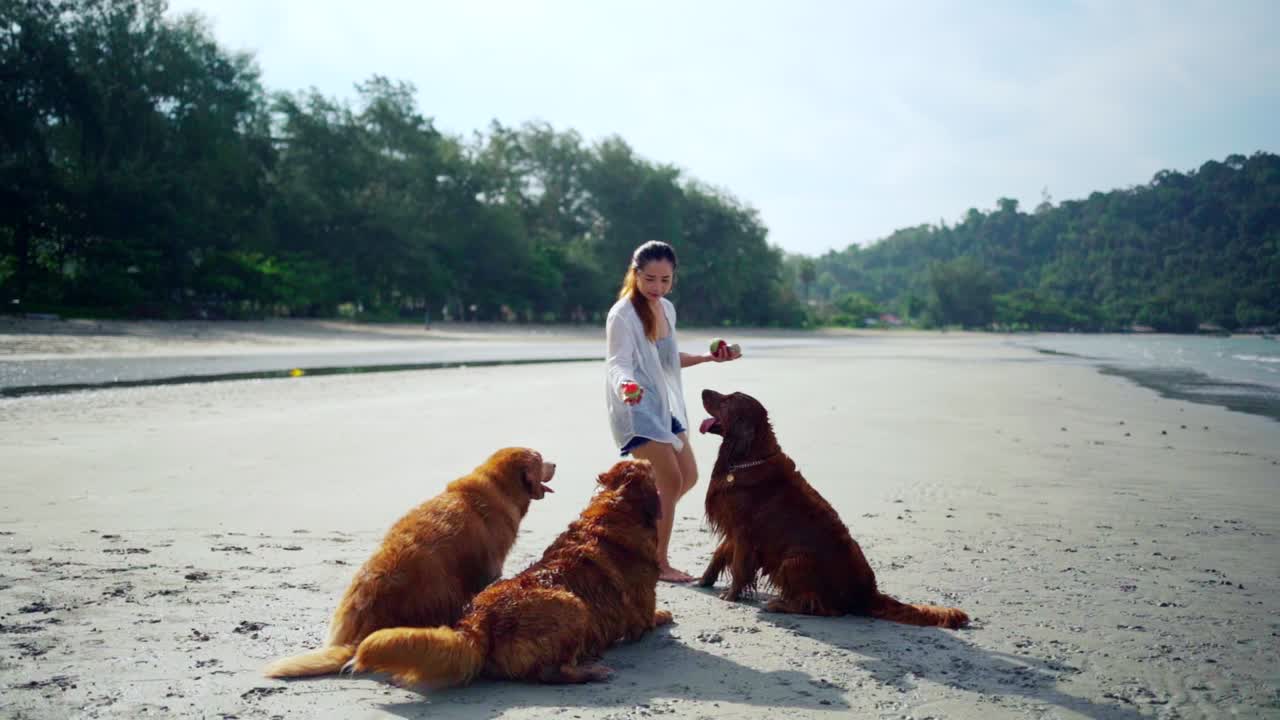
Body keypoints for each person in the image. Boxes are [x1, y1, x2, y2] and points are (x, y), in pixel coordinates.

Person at [604, 240, 738, 582]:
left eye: (665, 280)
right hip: (636, 407)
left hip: (663, 403)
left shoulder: (667, 310)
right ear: (636, 275)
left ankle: (637, 526)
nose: (657, 287)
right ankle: (658, 563)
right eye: (650, 279)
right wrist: (626, 387)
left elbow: (668, 361)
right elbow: (618, 363)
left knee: (688, 476)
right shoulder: (623, 314)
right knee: (671, 478)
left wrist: (709, 358)